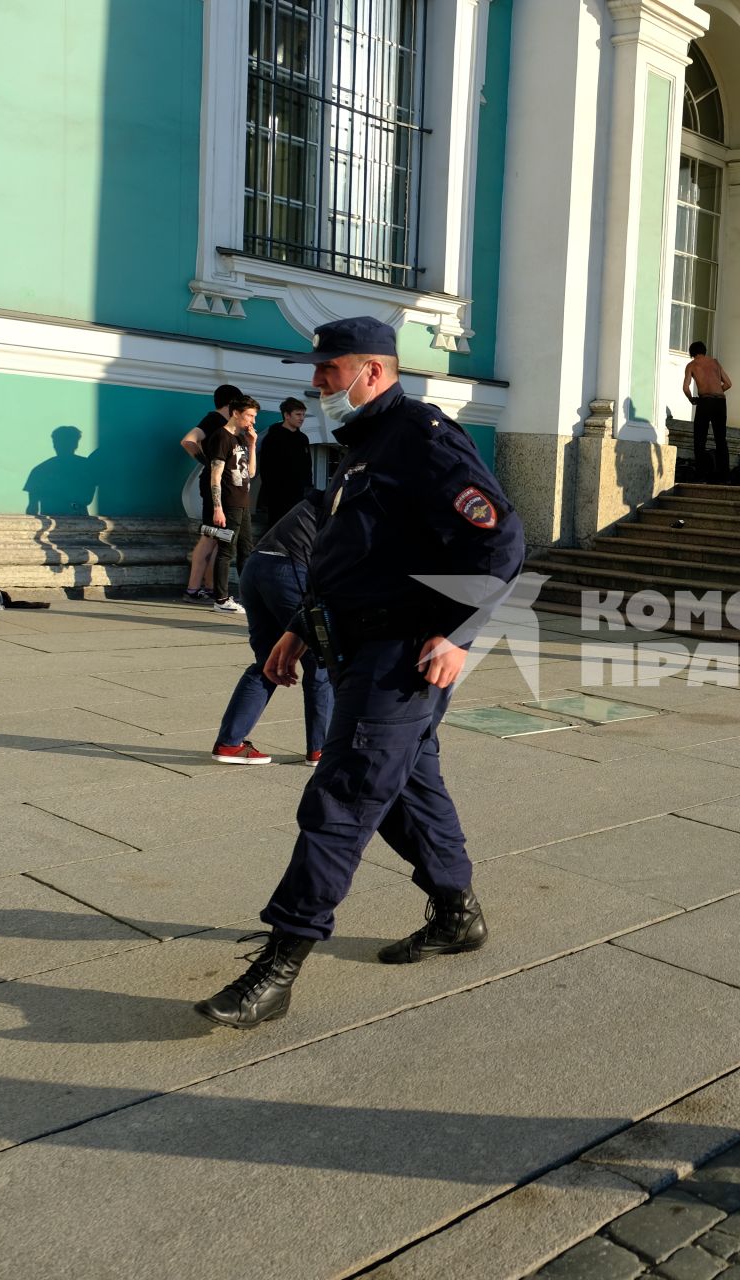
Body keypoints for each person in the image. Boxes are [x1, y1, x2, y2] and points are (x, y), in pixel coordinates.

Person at [195, 317, 526, 1031]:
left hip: (403, 655)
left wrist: (460, 634)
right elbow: (353, 554)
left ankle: (280, 963)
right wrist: (297, 628)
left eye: (329, 369)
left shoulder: (422, 436)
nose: (316, 381)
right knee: (409, 787)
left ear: (373, 372)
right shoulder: (363, 445)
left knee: (343, 794)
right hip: (353, 646)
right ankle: (456, 913)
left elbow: (500, 537)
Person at [209, 493, 334, 766]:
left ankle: (230, 744)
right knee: (320, 660)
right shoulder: (360, 495)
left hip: (257, 566)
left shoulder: (331, 492)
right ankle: (322, 750)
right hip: (291, 568)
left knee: (267, 661)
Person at [180, 385, 241, 601]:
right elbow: (188, 440)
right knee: (209, 536)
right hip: (213, 486)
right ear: (232, 402)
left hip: (222, 486)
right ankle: (193, 588)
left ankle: (209, 585)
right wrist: (206, 461)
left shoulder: (222, 423)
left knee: (218, 537)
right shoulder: (213, 419)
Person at [202, 395, 260, 614]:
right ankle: (221, 599)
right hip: (228, 503)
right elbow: (215, 475)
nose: (253, 421)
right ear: (236, 413)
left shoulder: (243, 439)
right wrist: (218, 508)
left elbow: (251, 473)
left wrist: (253, 445)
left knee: (246, 550)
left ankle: (247, 597)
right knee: (227, 551)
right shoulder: (221, 437)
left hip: (243, 502)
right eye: (250, 415)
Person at [255, 397, 314, 538]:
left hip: (300, 495)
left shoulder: (303, 439)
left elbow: (307, 466)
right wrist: (271, 494)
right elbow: (266, 469)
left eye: (303, 415)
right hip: (278, 497)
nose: (302, 418)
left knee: (296, 532)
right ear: (287, 415)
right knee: (277, 532)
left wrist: (308, 489)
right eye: (298, 414)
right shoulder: (273, 438)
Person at [682, 340, 733, 483]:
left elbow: (686, 388)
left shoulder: (692, 365)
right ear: (704, 351)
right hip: (720, 402)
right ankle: (725, 477)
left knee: (700, 439)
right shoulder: (715, 363)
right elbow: (728, 383)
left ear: (692, 353)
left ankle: (701, 475)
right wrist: (716, 392)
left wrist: (692, 399)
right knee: (721, 439)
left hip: (704, 402)